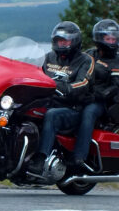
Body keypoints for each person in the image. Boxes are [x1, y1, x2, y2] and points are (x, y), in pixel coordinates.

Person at [28, 21, 95, 174]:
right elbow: (35, 73)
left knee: (52, 116)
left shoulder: (85, 60)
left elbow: (83, 83)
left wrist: (63, 88)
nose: (62, 44)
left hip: (72, 108)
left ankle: (40, 158)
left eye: (66, 41)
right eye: (59, 40)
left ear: (75, 41)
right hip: (49, 102)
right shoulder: (48, 57)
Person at [69, 19, 119, 169]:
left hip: (101, 102)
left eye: (114, 38)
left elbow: (116, 86)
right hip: (83, 94)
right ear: (99, 38)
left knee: (88, 113)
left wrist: (97, 96)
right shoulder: (89, 54)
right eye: (108, 38)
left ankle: (79, 157)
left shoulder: (117, 61)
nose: (112, 41)